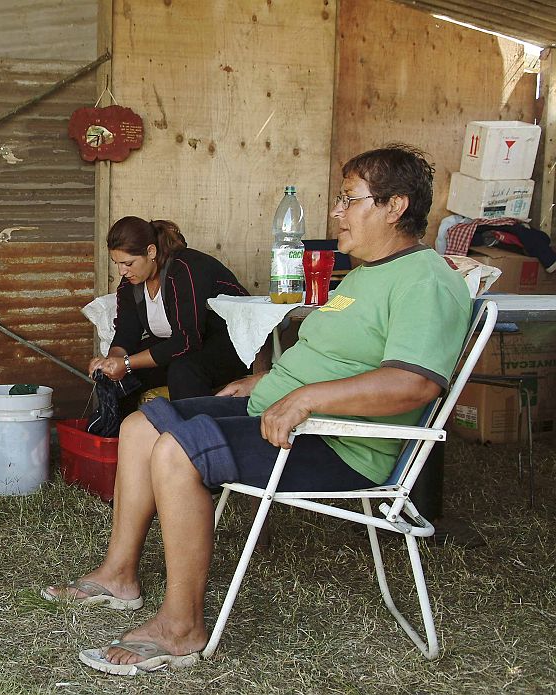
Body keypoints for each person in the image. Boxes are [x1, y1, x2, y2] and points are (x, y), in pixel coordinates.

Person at [44, 144, 472, 675]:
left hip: (339, 443)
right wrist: (265, 381)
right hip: (280, 414)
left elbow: (412, 383)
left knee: (178, 451)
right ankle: (118, 574)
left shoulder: (425, 280)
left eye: (349, 199)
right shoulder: (365, 275)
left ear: (395, 206)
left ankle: (181, 627)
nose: (336, 212)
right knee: (139, 426)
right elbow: (334, 357)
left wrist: (305, 397)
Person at [88, 217, 249, 414]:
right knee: (118, 376)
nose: (122, 271)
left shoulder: (185, 269)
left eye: (128, 263)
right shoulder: (131, 284)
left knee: (183, 371)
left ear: (151, 252)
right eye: (117, 263)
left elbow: (186, 341)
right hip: (185, 349)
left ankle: (193, 438)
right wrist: (112, 362)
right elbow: (126, 334)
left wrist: (127, 363)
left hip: (233, 348)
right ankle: (118, 437)